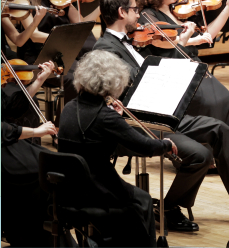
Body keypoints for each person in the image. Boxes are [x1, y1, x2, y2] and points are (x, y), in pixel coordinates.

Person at [94, 0, 229, 228]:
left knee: (220, 129)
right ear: (121, 12)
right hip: (137, 122)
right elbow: (119, 93)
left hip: (160, 112)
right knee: (201, 154)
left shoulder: (132, 41)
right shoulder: (104, 49)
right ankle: (169, 208)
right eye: (135, 10)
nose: (139, 15)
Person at [58, 50, 176, 246]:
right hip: (99, 190)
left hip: (70, 190)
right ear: (114, 82)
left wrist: (116, 118)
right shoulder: (106, 117)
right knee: (144, 200)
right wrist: (166, 145)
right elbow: (145, 146)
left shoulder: (69, 107)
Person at [134, 0, 229, 124]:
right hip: (176, 76)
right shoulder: (148, 15)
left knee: (228, 100)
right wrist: (189, 40)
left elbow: (208, 36)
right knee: (214, 104)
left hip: (196, 69)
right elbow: (164, 44)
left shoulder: (177, 11)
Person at [18, 0, 112, 108]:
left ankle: (89, 116)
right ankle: (66, 123)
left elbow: (82, 23)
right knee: (75, 77)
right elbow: (33, 36)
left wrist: (101, 6)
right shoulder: (25, 2)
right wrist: (63, 38)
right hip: (40, 56)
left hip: (63, 52)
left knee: (96, 68)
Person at [2, 62, 58, 247]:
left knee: (48, 160)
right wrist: (36, 132)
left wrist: (39, 80)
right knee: (38, 170)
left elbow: (11, 109)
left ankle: (47, 235)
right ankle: (24, 235)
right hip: (4, 142)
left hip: (7, 140)